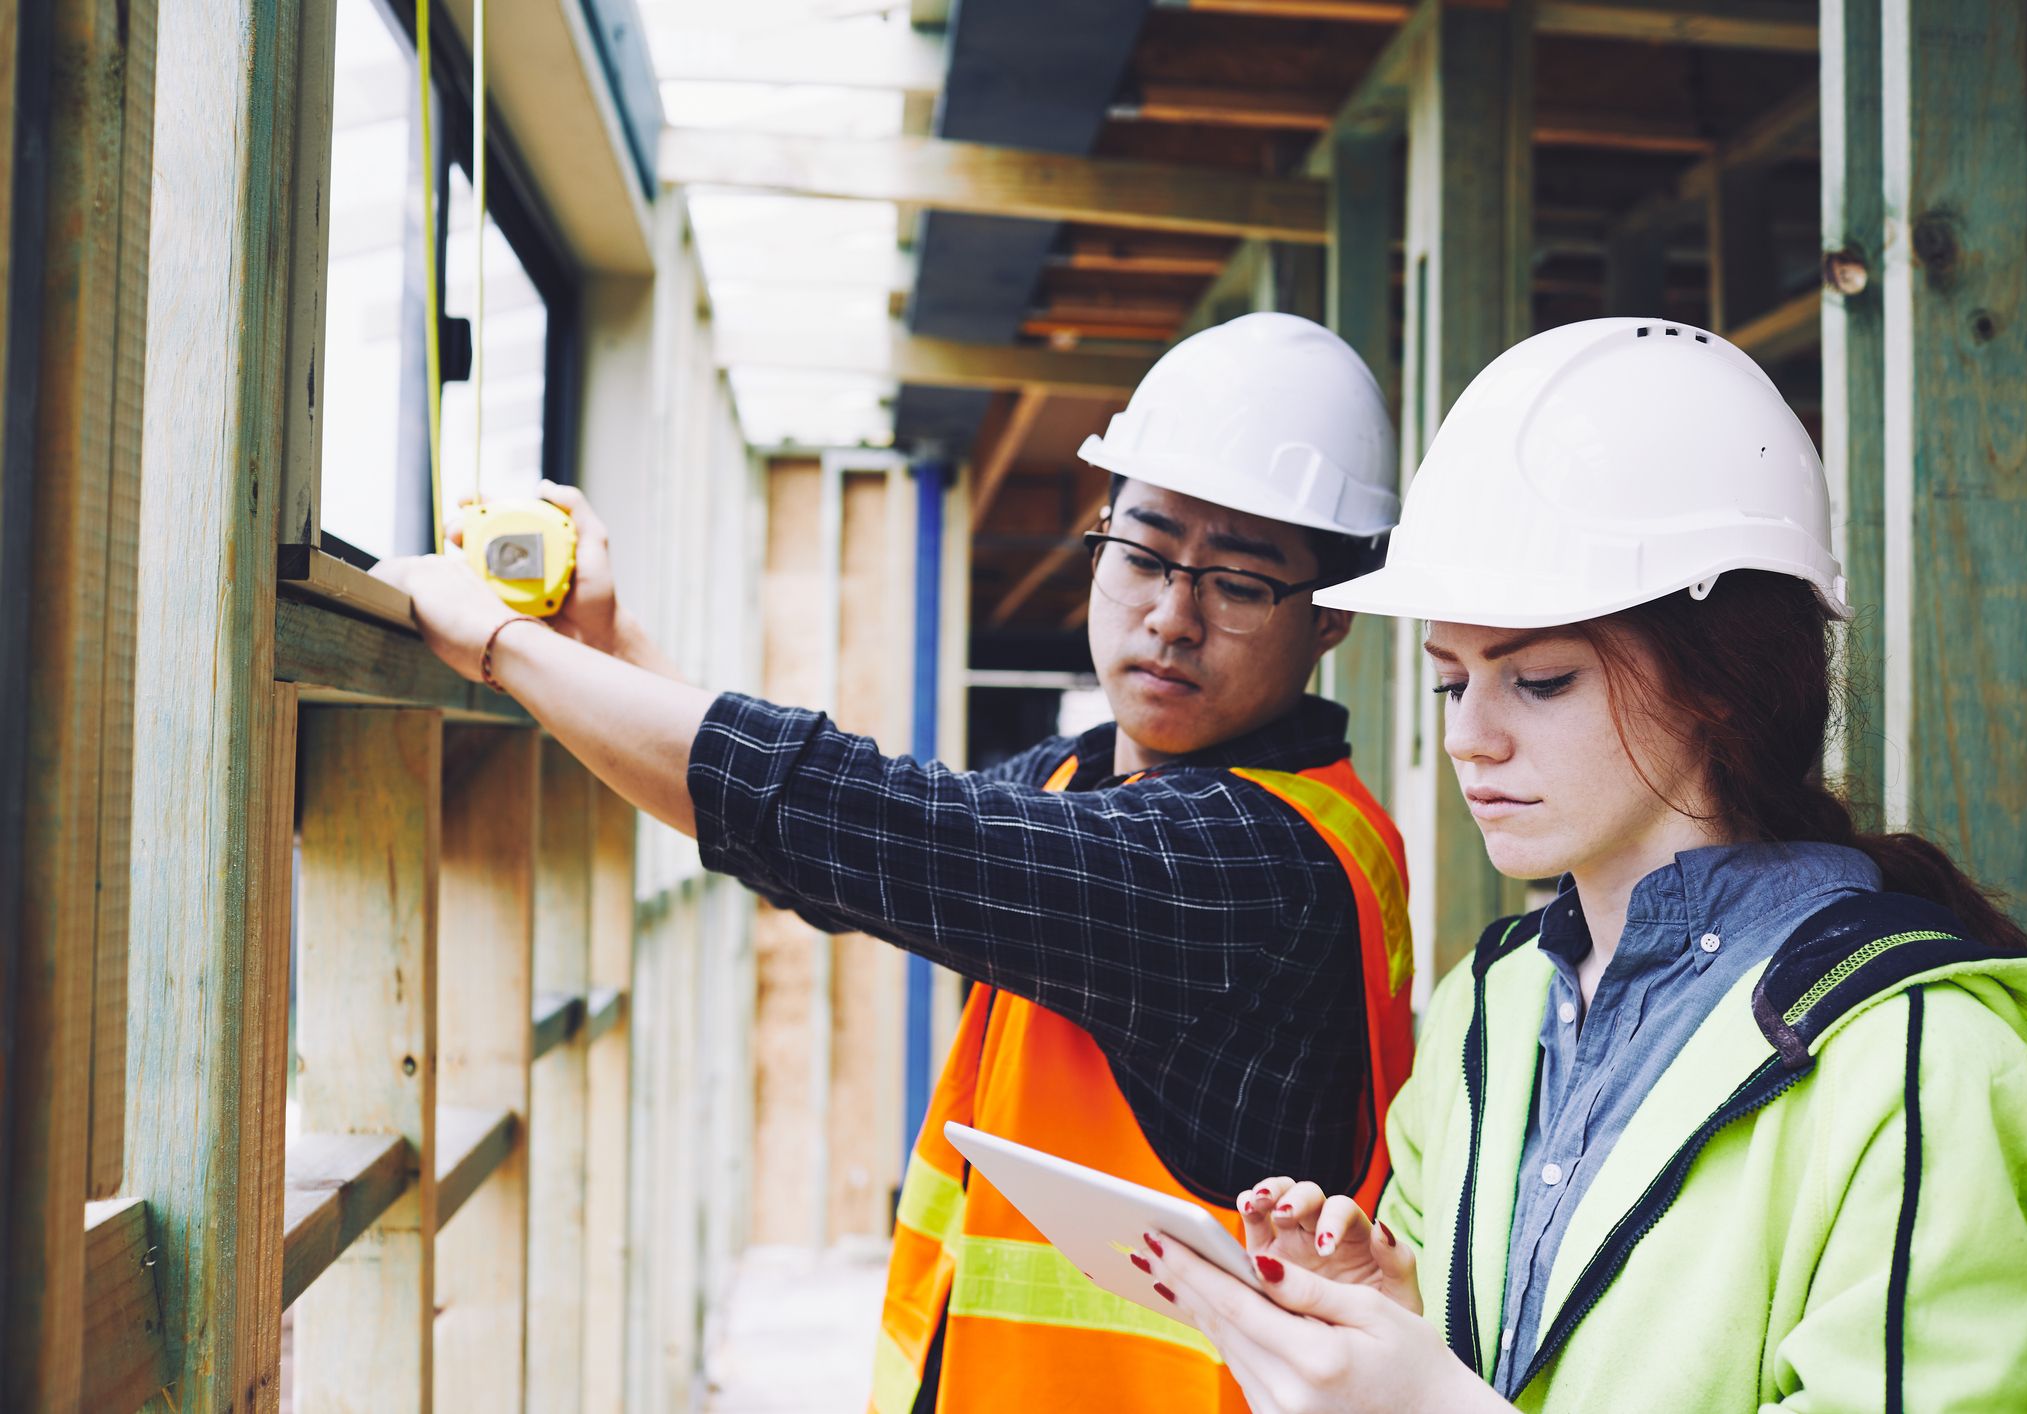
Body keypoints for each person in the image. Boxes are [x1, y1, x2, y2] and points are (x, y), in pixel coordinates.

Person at [375, 313, 1419, 1413]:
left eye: (1241, 582)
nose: (1171, 614)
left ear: (1331, 616)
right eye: (1145, 551)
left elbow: (860, 822)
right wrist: (610, 651)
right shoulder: (1091, 784)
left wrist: (505, 647)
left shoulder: (1247, 867)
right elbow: (846, 854)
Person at [1132, 317, 2027, 1412]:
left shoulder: (1918, 1064)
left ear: (1725, 677)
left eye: (1540, 679)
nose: (1471, 737)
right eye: (1451, 681)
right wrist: (1388, 1308)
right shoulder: (1488, 1007)